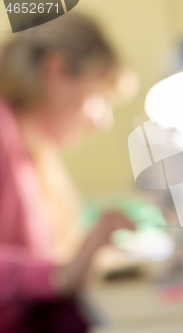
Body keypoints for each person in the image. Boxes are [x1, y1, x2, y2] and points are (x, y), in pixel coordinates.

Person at [0, 13, 135, 333]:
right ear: (57, 70)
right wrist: (60, 274)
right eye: (99, 96)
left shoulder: (28, 148)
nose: (102, 123)